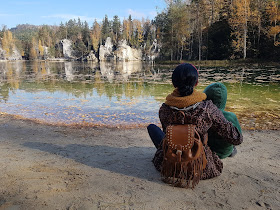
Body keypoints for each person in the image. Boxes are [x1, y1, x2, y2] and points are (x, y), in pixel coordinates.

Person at [147, 63, 243, 180]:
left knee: (153, 128)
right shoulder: (207, 108)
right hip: (198, 164)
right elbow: (236, 138)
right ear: (196, 83)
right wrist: (226, 117)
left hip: (171, 162)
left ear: (173, 83)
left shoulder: (164, 109)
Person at [204, 82, 242, 159]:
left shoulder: (203, 114)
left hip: (206, 150)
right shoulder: (231, 116)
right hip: (225, 152)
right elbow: (238, 136)